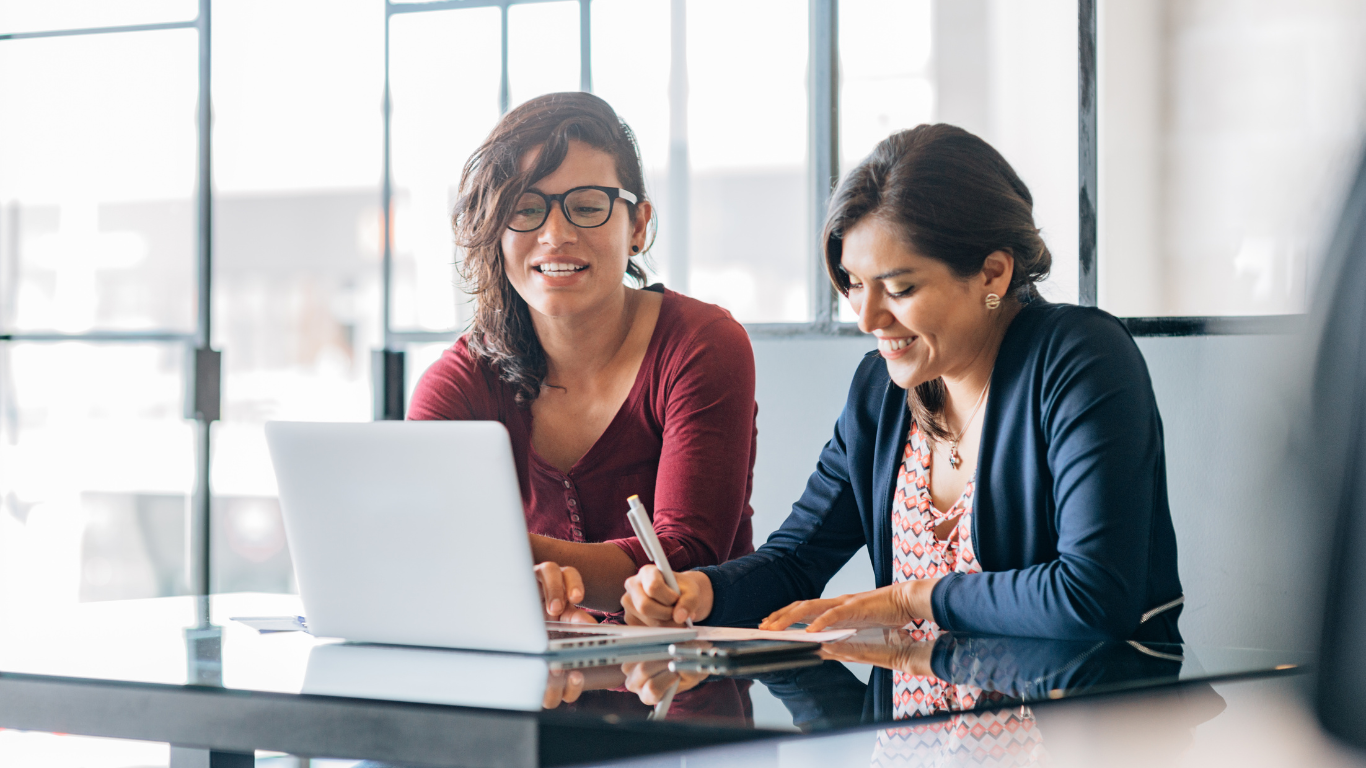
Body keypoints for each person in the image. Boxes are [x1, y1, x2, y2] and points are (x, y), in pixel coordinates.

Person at [619, 123, 1185, 644]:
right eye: (855, 284)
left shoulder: (1080, 358)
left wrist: (914, 598)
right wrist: (704, 592)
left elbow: (1092, 597)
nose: (867, 319)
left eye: (899, 288)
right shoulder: (881, 391)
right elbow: (796, 561)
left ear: (993, 272)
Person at [408, 92, 758, 621]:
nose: (556, 235)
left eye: (588, 206)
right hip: (534, 688)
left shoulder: (703, 344)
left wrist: (505, 564)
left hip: (693, 680)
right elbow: (418, 541)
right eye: (525, 209)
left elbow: (681, 557)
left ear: (637, 226)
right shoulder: (461, 379)